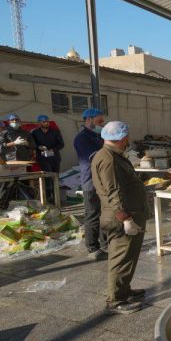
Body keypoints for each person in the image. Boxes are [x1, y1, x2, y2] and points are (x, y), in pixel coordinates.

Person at [92, 121, 149, 315]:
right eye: (126, 138)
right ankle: (115, 300)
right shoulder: (108, 159)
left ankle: (124, 290)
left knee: (129, 256)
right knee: (121, 258)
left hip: (128, 213)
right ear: (122, 138)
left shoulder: (114, 155)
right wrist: (125, 219)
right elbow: (113, 192)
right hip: (120, 217)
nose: (128, 141)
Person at [74, 108, 107, 261]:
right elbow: (95, 157)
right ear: (88, 120)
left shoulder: (98, 136)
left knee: (104, 214)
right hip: (91, 182)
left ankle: (105, 243)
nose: (102, 124)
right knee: (92, 214)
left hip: (103, 180)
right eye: (99, 122)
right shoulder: (82, 138)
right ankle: (93, 248)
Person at [31, 115, 65, 202]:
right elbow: (32, 144)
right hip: (43, 159)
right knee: (47, 178)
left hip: (54, 158)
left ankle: (56, 198)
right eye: (43, 122)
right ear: (39, 123)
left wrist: (52, 149)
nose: (46, 123)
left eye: (47, 121)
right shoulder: (35, 133)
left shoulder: (55, 131)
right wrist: (39, 147)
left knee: (55, 177)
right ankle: (48, 198)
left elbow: (61, 144)